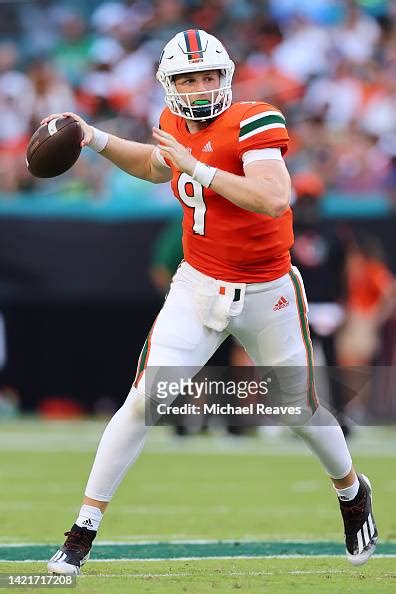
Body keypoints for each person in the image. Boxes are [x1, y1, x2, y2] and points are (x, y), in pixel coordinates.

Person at [43, 29, 377, 575]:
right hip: (198, 285)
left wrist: (196, 166)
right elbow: (157, 165)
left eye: (206, 76)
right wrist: (94, 139)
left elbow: (273, 198)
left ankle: (350, 490)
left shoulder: (254, 119)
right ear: (169, 84)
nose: (198, 88)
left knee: (299, 411)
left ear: (225, 76)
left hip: (268, 289)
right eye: (187, 79)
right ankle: (82, 531)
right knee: (141, 403)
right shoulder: (175, 124)